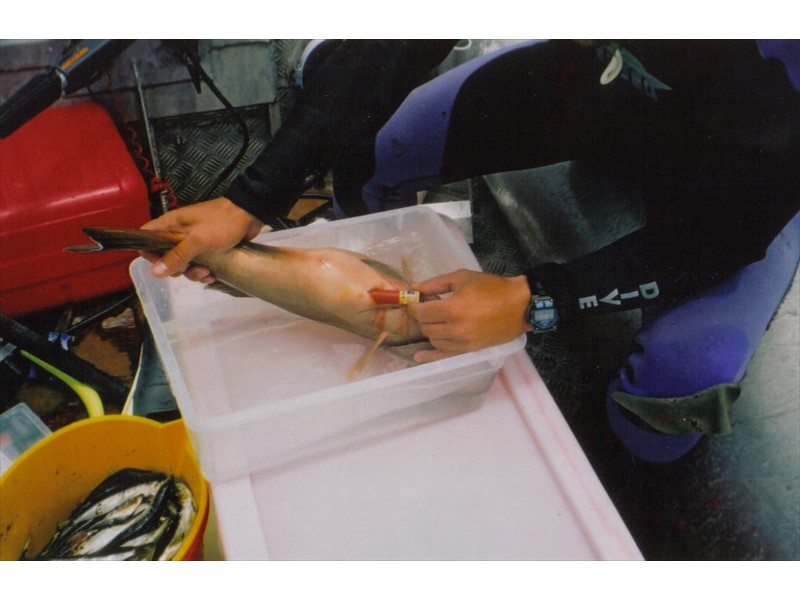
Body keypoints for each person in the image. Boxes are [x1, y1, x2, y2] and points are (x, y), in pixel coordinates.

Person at [142, 39, 800, 462]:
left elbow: (726, 231)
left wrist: (535, 299)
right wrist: (251, 199)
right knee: (378, 153)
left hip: (754, 179)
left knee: (670, 398)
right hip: (611, 84)